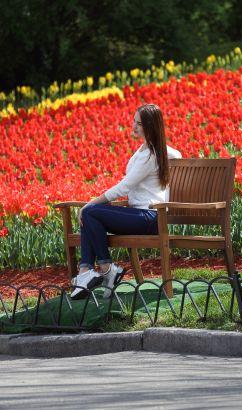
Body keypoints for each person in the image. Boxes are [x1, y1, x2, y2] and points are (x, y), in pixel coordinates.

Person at [71, 104, 182, 300]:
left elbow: (123, 188)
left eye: (139, 124)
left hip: (149, 217)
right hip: (143, 216)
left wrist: (89, 204)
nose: (134, 126)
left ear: (151, 126)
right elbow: (177, 155)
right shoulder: (149, 151)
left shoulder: (150, 155)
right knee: (91, 217)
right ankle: (86, 271)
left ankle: (104, 269)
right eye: (134, 121)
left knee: (89, 212)